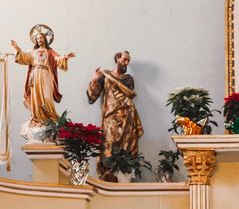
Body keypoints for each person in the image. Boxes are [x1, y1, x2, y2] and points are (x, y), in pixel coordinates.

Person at [87, 51, 143, 180]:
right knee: (109, 143)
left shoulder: (129, 79)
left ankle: (124, 173)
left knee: (126, 144)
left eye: (128, 61)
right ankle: (108, 173)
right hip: (110, 116)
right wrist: (95, 79)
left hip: (127, 115)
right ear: (117, 58)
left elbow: (129, 95)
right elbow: (92, 96)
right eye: (124, 59)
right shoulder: (105, 76)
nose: (126, 63)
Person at [10, 24, 75, 127]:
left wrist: (65, 57)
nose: (39, 39)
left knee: (47, 97)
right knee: (36, 98)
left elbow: (58, 59)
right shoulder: (33, 52)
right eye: (37, 38)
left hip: (46, 76)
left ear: (45, 39)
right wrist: (17, 48)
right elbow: (23, 57)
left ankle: (51, 118)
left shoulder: (50, 52)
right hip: (35, 75)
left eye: (41, 37)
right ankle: (38, 118)